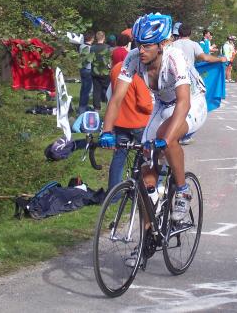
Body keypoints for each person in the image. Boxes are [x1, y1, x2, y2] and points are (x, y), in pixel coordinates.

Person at [100, 13, 210, 222]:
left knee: (165, 139)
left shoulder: (174, 57)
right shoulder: (133, 57)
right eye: (139, 44)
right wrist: (106, 131)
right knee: (145, 173)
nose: (141, 50)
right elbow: (116, 98)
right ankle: (147, 240)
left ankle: (182, 190)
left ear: (160, 45)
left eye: (147, 46)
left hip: (192, 103)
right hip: (162, 104)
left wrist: (166, 138)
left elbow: (184, 102)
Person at [108, 61, 153, 190]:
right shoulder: (136, 72)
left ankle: (114, 192)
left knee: (119, 157)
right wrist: (153, 108)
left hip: (120, 120)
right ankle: (142, 187)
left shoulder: (116, 68)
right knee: (146, 155)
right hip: (138, 121)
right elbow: (144, 103)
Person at [90, 31, 111, 111]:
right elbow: (109, 60)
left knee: (96, 90)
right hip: (105, 71)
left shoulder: (92, 48)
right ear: (104, 37)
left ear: (96, 38)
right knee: (107, 89)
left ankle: (96, 108)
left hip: (95, 71)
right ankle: (108, 105)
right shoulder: (107, 47)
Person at [78, 31, 95, 114]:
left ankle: (82, 106)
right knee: (87, 90)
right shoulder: (90, 48)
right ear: (91, 38)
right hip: (88, 69)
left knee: (83, 88)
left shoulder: (81, 46)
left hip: (82, 69)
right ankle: (82, 108)